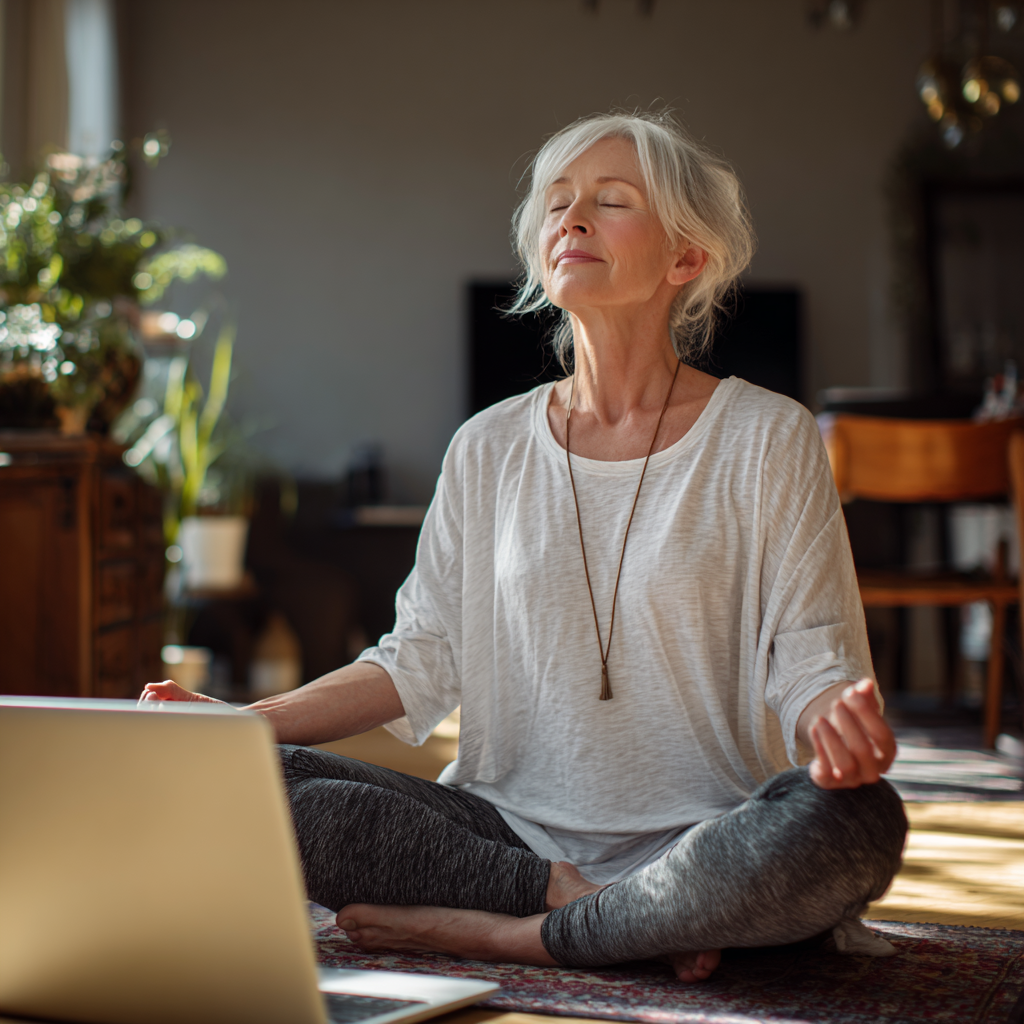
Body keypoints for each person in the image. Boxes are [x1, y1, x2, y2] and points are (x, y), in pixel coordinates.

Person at [143, 110, 905, 982]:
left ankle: (508, 936)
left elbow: (812, 661)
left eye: (610, 201)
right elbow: (418, 659)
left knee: (859, 821)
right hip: (502, 835)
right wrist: (240, 728)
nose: (570, 219)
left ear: (686, 258)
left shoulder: (769, 436)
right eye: (556, 203)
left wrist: (836, 721)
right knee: (264, 783)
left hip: (707, 837)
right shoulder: (487, 445)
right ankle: (577, 905)